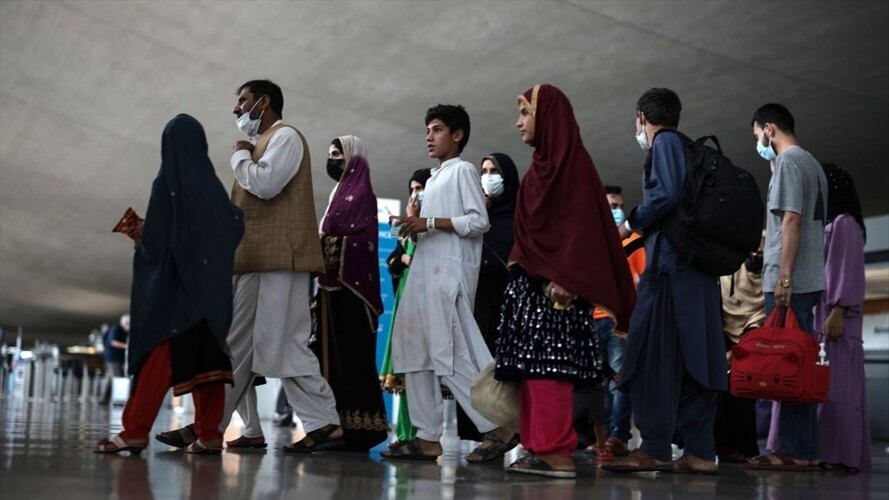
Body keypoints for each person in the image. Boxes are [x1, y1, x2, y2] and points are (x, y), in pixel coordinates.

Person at [156, 80, 342, 453]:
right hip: (254, 258)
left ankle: (324, 421)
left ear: (264, 102)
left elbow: (266, 184)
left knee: (283, 342)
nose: (236, 109)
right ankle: (210, 426)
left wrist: (240, 157)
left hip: (280, 258)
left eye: (243, 100)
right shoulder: (262, 143)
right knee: (236, 346)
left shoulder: (285, 137)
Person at [496, 84, 636, 479]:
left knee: (549, 371)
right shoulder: (540, 168)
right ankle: (538, 447)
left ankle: (556, 453)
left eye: (526, 113)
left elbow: (581, 228)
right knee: (530, 370)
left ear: (548, 117)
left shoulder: (573, 165)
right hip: (530, 287)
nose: (518, 122)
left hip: (558, 290)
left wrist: (565, 277)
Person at [95, 114, 244, 454]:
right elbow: (234, 225)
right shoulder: (212, 185)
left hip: (176, 293)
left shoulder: (166, 183)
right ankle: (209, 435)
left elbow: (159, 243)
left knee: (157, 359)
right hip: (209, 294)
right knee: (209, 364)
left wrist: (141, 237)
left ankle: (135, 431)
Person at [383, 104, 516, 463]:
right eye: (427, 130)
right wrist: (413, 225)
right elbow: (436, 227)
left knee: (449, 356)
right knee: (414, 352)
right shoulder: (433, 179)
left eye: (438, 129)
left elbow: (478, 221)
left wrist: (428, 223)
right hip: (423, 277)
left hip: (448, 279)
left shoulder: (463, 170)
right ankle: (427, 437)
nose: (429, 136)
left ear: (457, 135)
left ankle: (498, 427)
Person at [604, 88, 725, 475]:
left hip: (669, 273)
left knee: (650, 357)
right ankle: (700, 452)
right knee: (696, 363)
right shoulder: (690, 149)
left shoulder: (667, 144)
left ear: (642, 117)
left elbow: (667, 194)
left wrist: (630, 224)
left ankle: (655, 447)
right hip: (693, 272)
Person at [747, 103, 828, 471]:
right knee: (800, 362)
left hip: (790, 282)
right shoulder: (810, 163)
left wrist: (783, 277)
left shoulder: (790, 162)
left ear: (769, 129)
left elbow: (791, 220)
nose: (758, 143)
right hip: (807, 279)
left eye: (757, 136)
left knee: (784, 364)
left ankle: (792, 450)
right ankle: (804, 449)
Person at [314, 135, 388, 451]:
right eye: (330, 154)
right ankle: (339, 427)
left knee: (353, 359)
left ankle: (363, 431)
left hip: (353, 290)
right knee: (331, 359)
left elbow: (362, 242)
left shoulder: (362, 195)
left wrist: (325, 242)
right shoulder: (337, 194)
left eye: (337, 154)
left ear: (353, 159)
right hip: (332, 289)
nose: (332, 160)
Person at [457, 152, 519, 443]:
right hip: (477, 303)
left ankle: (508, 430)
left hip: (509, 306)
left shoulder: (519, 220)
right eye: (484, 171)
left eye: (495, 171)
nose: (487, 177)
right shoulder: (476, 218)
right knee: (475, 365)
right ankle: (484, 432)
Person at [582, 185, 645, 462]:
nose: (615, 211)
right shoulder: (589, 240)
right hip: (592, 318)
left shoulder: (633, 241)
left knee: (618, 379)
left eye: (618, 206)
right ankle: (600, 436)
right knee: (597, 380)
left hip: (620, 320)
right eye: (610, 206)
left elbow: (643, 280)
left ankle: (618, 436)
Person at [816, 164, 870, 472]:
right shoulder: (833, 224)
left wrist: (838, 309)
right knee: (831, 389)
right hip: (829, 318)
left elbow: (845, 270)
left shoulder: (844, 224)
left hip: (837, 320)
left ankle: (840, 455)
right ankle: (832, 453)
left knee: (840, 390)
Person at [379, 168, 431, 447]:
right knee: (407, 372)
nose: (415, 195)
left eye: (420, 189)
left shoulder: (433, 228)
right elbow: (393, 261)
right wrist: (402, 260)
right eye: (412, 189)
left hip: (425, 306)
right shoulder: (406, 232)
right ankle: (405, 434)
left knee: (421, 371)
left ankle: (422, 435)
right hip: (404, 302)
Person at [715, 238, 766, 463]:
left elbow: (760, 304)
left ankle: (745, 448)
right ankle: (724, 446)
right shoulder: (725, 263)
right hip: (724, 325)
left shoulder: (764, 267)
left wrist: (740, 347)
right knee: (723, 391)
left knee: (744, 388)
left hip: (754, 325)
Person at [99, 314, 129, 404]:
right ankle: (119, 400)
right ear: (125, 322)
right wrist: (126, 346)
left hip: (114, 358)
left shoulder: (122, 331)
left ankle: (103, 399)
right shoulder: (117, 328)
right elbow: (113, 342)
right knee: (118, 377)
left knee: (109, 378)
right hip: (113, 358)